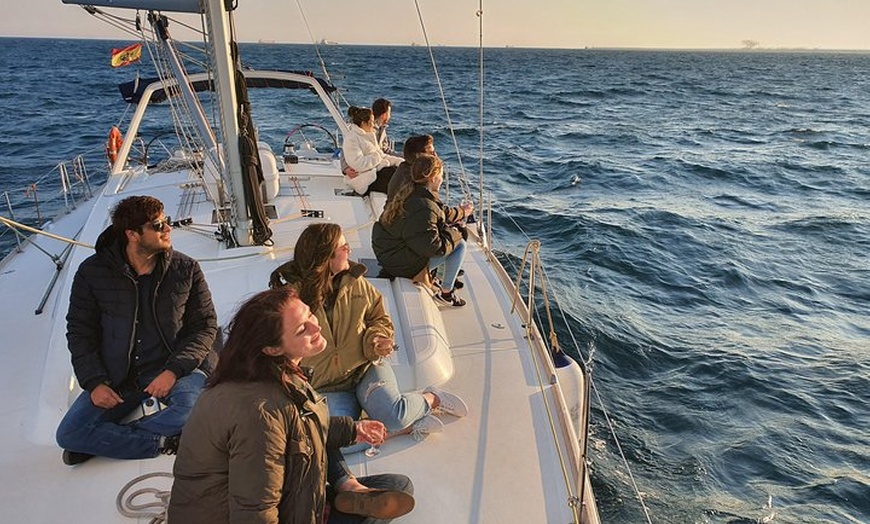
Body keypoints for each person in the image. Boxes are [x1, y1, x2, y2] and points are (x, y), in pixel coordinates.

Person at [168, 286, 416, 524]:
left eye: (309, 313)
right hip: (233, 515)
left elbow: (298, 428)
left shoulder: (276, 377)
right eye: (301, 329)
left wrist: (352, 430)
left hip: (282, 495)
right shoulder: (260, 414)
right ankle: (337, 497)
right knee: (396, 491)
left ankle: (341, 491)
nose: (315, 326)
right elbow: (255, 513)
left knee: (397, 486)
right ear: (273, 348)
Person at [56, 195, 218, 466]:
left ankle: (104, 441)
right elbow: (80, 333)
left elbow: (204, 326)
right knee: (68, 433)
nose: (168, 229)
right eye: (158, 225)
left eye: (166, 221)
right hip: (119, 375)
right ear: (132, 234)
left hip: (176, 367)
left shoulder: (186, 269)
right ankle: (162, 440)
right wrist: (95, 382)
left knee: (194, 409)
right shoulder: (91, 273)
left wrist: (172, 371)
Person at [268, 223, 467, 439]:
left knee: (394, 416)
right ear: (325, 258)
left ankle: (432, 398)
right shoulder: (291, 301)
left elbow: (379, 317)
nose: (349, 251)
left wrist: (377, 339)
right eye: (343, 247)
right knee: (328, 440)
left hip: (364, 369)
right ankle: (405, 428)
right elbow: (280, 345)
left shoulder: (355, 283)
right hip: (324, 386)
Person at [372, 155, 470, 307]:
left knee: (450, 236)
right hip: (397, 263)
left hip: (389, 253)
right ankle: (446, 293)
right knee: (460, 245)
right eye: (441, 176)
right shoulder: (424, 207)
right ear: (432, 178)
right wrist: (456, 233)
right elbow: (434, 248)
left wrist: (461, 213)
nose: (442, 180)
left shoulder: (412, 192)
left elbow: (440, 213)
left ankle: (436, 277)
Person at [342, 106, 403, 195]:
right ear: (363, 123)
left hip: (375, 171)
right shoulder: (351, 139)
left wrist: (400, 162)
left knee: (400, 170)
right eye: (371, 122)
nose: (373, 125)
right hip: (364, 179)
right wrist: (377, 157)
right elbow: (358, 164)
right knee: (393, 176)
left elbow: (382, 155)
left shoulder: (369, 135)